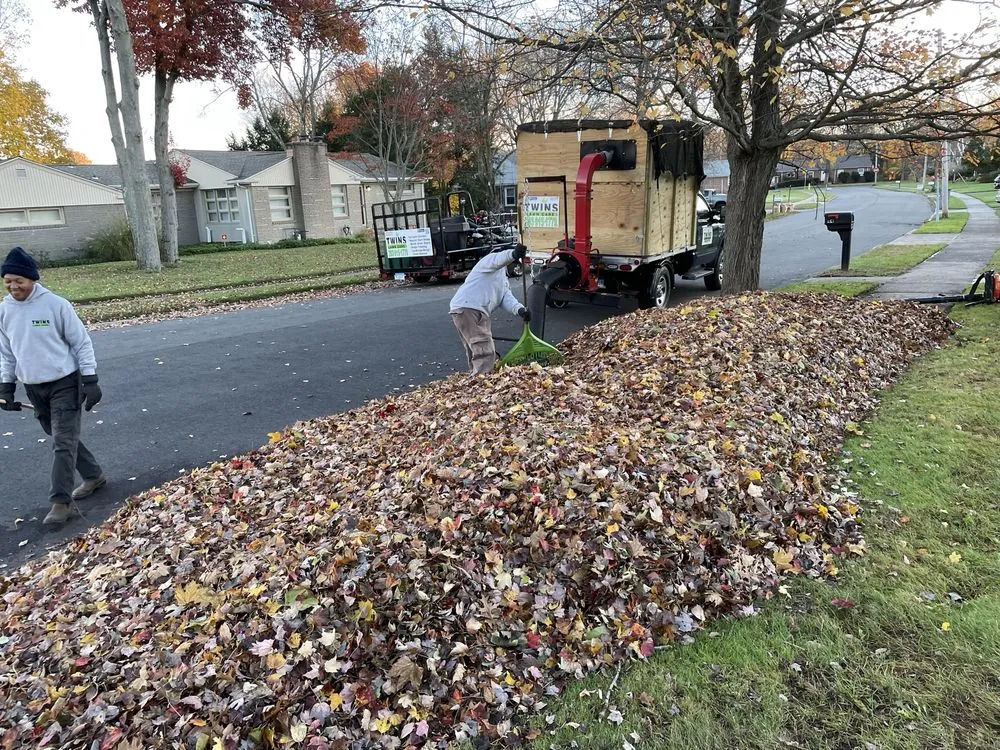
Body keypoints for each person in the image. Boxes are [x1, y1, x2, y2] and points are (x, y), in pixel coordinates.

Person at [0, 247, 106, 525]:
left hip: (65, 382)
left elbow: (81, 343)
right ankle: (94, 476)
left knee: (62, 442)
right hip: (33, 387)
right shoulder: (4, 311)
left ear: (32, 279)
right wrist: (6, 386)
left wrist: (91, 379)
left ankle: (61, 502)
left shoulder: (56, 305)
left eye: (18, 281)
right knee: (62, 436)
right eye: (8, 281)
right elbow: (7, 353)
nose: (13, 286)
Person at [450, 244, 530, 375]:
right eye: (513, 263)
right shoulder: (489, 262)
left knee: (475, 347)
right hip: (468, 308)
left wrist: (520, 310)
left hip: (473, 310)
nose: (514, 266)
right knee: (483, 347)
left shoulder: (502, 280)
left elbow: (506, 298)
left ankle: (474, 377)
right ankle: (482, 380)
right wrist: (513, 254)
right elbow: (499, 259)